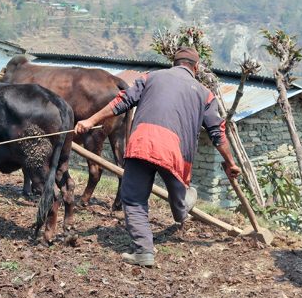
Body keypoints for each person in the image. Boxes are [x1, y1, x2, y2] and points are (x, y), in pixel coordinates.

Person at [75, 46, 241, 267]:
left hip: (143, 142)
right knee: (179, 199)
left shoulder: (151, 77)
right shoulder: (205, 93)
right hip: (176, 152)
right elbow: (217, 133)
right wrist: (230, 163)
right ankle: (183, 202)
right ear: (196, 67)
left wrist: (89, 121)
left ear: (174, 62)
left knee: (133, 199)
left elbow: (121, 102)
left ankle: (144, 251)